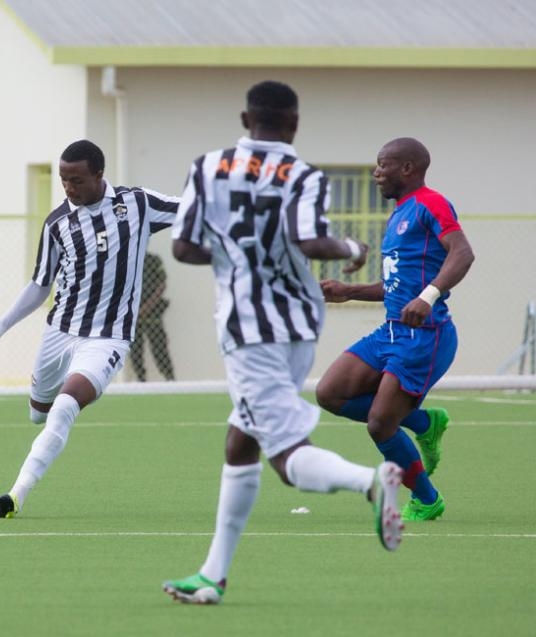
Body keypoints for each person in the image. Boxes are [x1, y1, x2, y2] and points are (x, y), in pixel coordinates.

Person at [162, 80, 404, 606]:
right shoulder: (304, 174)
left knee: (286, 458)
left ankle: (371, 480)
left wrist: (235, 255)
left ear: (246, 118)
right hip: (299, 323)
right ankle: (212, 576)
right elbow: (310, 242)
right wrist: (353, 245)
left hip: (250, 331)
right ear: (293, 124)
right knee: (240, 440)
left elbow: (182, 247)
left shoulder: (207, 167)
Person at [0, 139, 179, 519]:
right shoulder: (58, 224)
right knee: (38, 413)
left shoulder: (137, 205)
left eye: (77, 180)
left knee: (65, 406)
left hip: (108, 337)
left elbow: (193, 213)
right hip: (60, 333)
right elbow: (39, 286)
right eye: (63, 180)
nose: (69, 187)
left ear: (99, 175)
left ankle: (16, 494)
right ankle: (41, 414)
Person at [315, 137, 475, 523]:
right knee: (329, 393)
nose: (376, 172)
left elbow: (463, 252)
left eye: (383, 165)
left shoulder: (431, 202)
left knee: (380, 424)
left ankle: (426, 499)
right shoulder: (399, 214)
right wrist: (348, 291)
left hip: (425, 335)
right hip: (390, 332)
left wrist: (430, 296)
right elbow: (396, 288)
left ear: (408, 168)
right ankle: (423, 422)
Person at [130, 252, 175, 382]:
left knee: (159, 348)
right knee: (135, 350)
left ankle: (170, 378)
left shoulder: (153, 260)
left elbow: (162, 285)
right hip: (134, 316)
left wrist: (146, 307)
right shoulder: (127, 259)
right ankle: (140, 379)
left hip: (153, 314)